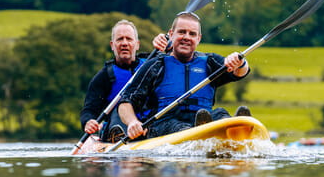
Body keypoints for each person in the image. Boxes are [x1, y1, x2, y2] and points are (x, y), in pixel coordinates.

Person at [118, 12, 251, 140]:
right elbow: (125, 103)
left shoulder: (210, 62)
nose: (186, 37)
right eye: (182, 32)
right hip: (165, 124)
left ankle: (235, 129)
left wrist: (240, 62)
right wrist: (132, 122)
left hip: (202, 118)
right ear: (171, 34)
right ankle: (200, 134)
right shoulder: (155, 66)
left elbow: (240, 72)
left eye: (192, 34)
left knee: (221, 114)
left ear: (198, 39)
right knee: (179, 127)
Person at [80, 19, 164, 142]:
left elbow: (174, 54)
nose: (124, 43)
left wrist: (166, 42)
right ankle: (118, 135)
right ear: (112, 45)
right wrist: (89, 122)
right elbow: (89, 110)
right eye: (120, 39)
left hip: (149, 124)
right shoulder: (104, 77)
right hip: (117, 127)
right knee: (118, 110)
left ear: (137, 44)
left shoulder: (152, 64)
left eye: (129, 39)